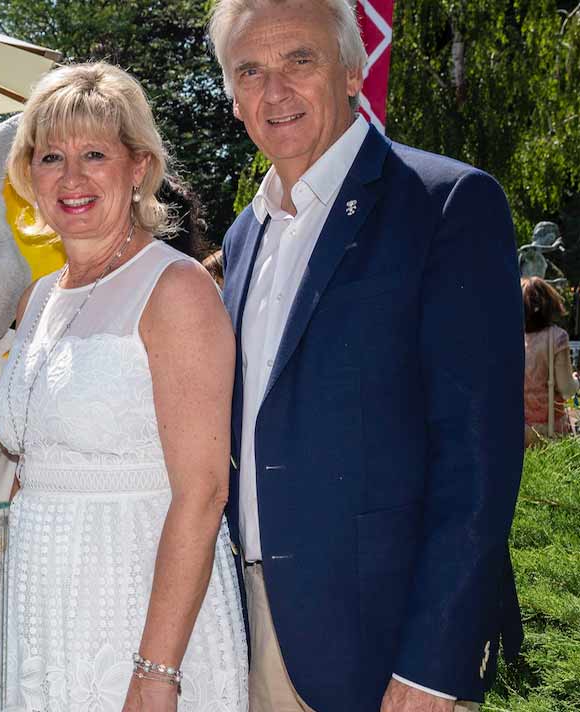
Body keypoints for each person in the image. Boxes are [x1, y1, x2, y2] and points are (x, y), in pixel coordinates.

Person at [208, 1, 524, 710]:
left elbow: (480, 460)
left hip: (386, 648)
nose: (275, 90)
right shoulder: (241, 240)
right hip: (250, 632)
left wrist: (435, 663)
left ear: (352, 71)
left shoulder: (444, 204)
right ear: (232, 98)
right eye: (250, 70)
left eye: (300, 60)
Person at [0, 62, 246, 712]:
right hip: (44, 617)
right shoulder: (40, 299)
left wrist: (157, 671)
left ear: (138, 166)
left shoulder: (178, 289)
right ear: (29, 175)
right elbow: (31, 468)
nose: (71, 178)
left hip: (140, 614)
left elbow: (205, 490)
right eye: (51, 156)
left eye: (94, 154)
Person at [522, 276, 578, 444]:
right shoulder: (557, 337)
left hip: (520, 431)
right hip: (550, 431)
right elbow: (566, 389)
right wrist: (576, 381)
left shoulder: (512, 339)